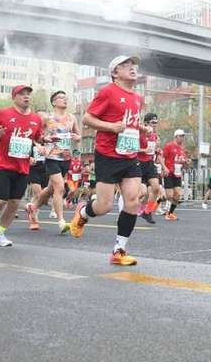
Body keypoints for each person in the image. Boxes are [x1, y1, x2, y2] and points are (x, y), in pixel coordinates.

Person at [69, 55, 144, 266]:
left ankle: (119, 250)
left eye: (133, 65)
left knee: (133, 201)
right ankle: (84, 211)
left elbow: (130, 124)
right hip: (108, 154)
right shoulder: (108, 92)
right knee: (103, 207)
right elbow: (87, 118)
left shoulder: (138, 98)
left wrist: (142, 130)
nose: (132, 68)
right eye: (126, 66)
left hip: (129, 155)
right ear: (114, 73)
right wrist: (111, 127)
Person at [0, 85, 44, 247]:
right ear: (14, 97)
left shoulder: (36, 118)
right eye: (22, 94)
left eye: (28, 94)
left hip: (23, 166)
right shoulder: (3, 113)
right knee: (0, 201)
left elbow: (36, 138)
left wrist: (43, 143)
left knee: (14, 202)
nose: (26, 96)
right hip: (3, 164)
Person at [25, 90, 81, 234]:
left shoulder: (72, 118)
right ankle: (61, 221)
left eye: (65, 97)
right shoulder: (46, 117)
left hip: (65, 158)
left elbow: (79, 135)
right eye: (61, 98)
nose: (65, 100)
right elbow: (33, 134)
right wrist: (39, 145)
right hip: (51, 157)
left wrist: (76, 137)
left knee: (51, 189)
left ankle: (33, 207)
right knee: (60, 187)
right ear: (54, 101)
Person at [137, 113, 162, 223]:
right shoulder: (140, 133)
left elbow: (155, 150)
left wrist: (157, 149)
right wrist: (144, 150)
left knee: (156, 188)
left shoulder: (155, 136)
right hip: (138, 163)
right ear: (146, 123)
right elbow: (132, 148)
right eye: (153, 122)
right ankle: (127, 210)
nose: (155, 124)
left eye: (156, 122)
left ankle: (148, 212)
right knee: (141, 192)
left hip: (150, 163)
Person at [162, 129, 189, 221]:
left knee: (177, 195)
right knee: (169, 196)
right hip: (169, 172)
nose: (182, 138)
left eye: (183, 136)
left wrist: (186, 162)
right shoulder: (169, 146)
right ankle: (157, 201)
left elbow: (183, 162)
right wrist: (164, 167)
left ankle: (169, 213)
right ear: (176, 136)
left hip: (177, 174)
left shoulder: (182, 149)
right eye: (181, 136)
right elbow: (161, 157)